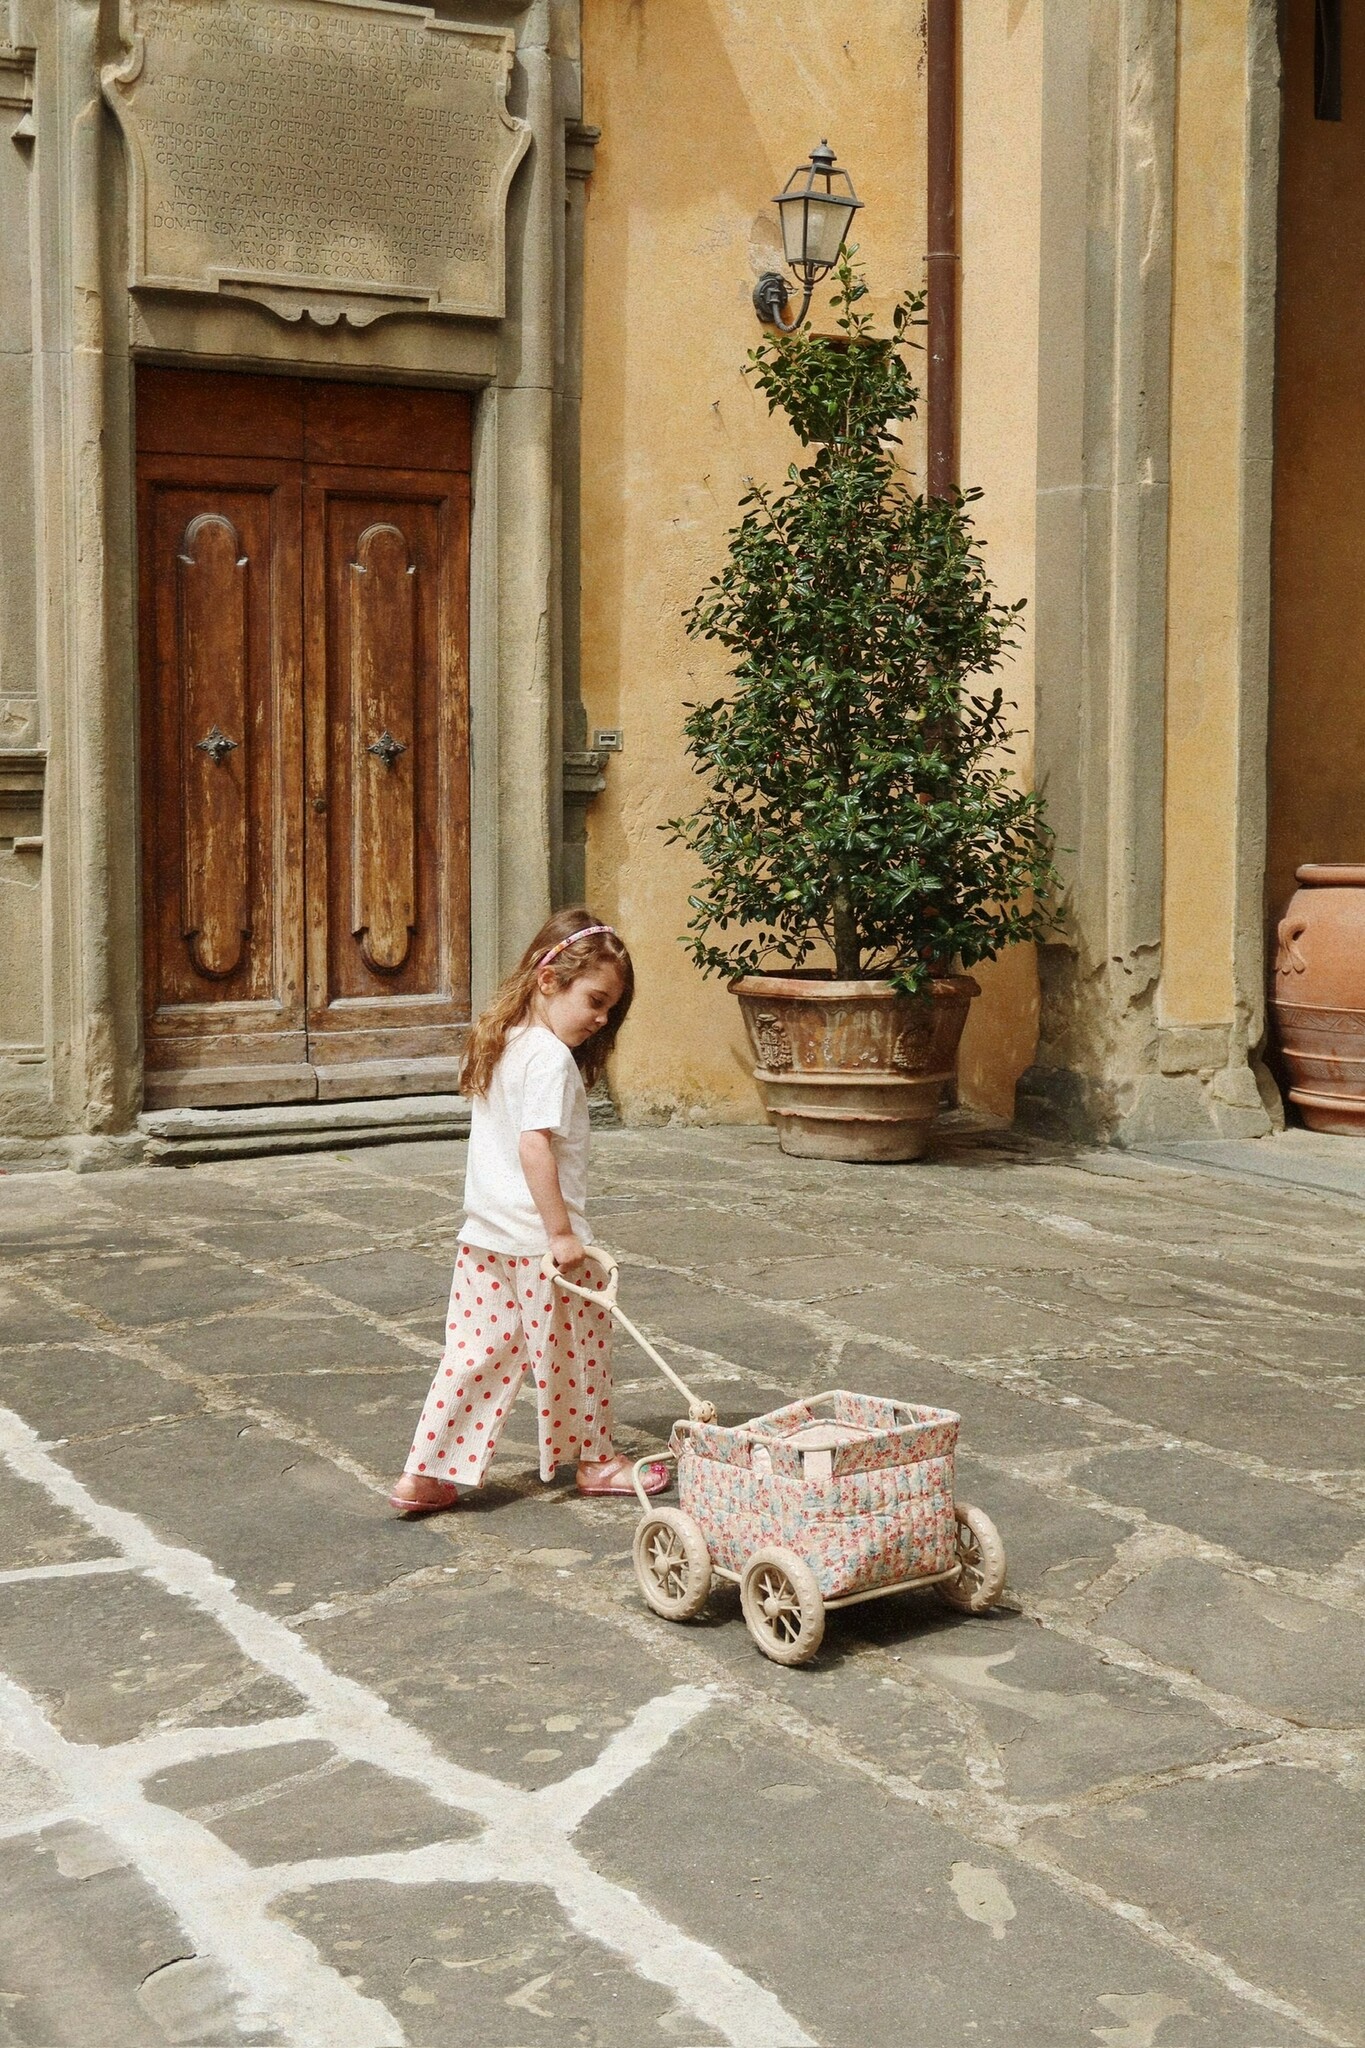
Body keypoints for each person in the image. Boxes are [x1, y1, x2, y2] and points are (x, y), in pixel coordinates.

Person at [390, 909, 668, 1515]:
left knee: (474, 1356)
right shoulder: (548, 1058)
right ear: (548, 980)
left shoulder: (504, 1043)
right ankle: (595, 1459)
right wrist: (562, 1233)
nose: (602, 1019)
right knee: (579, 1356)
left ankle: (426, 1472)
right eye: (595, 1001)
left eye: (611, 1009)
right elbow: (533, 1145)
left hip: (485, 1236)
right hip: (542, 1245)